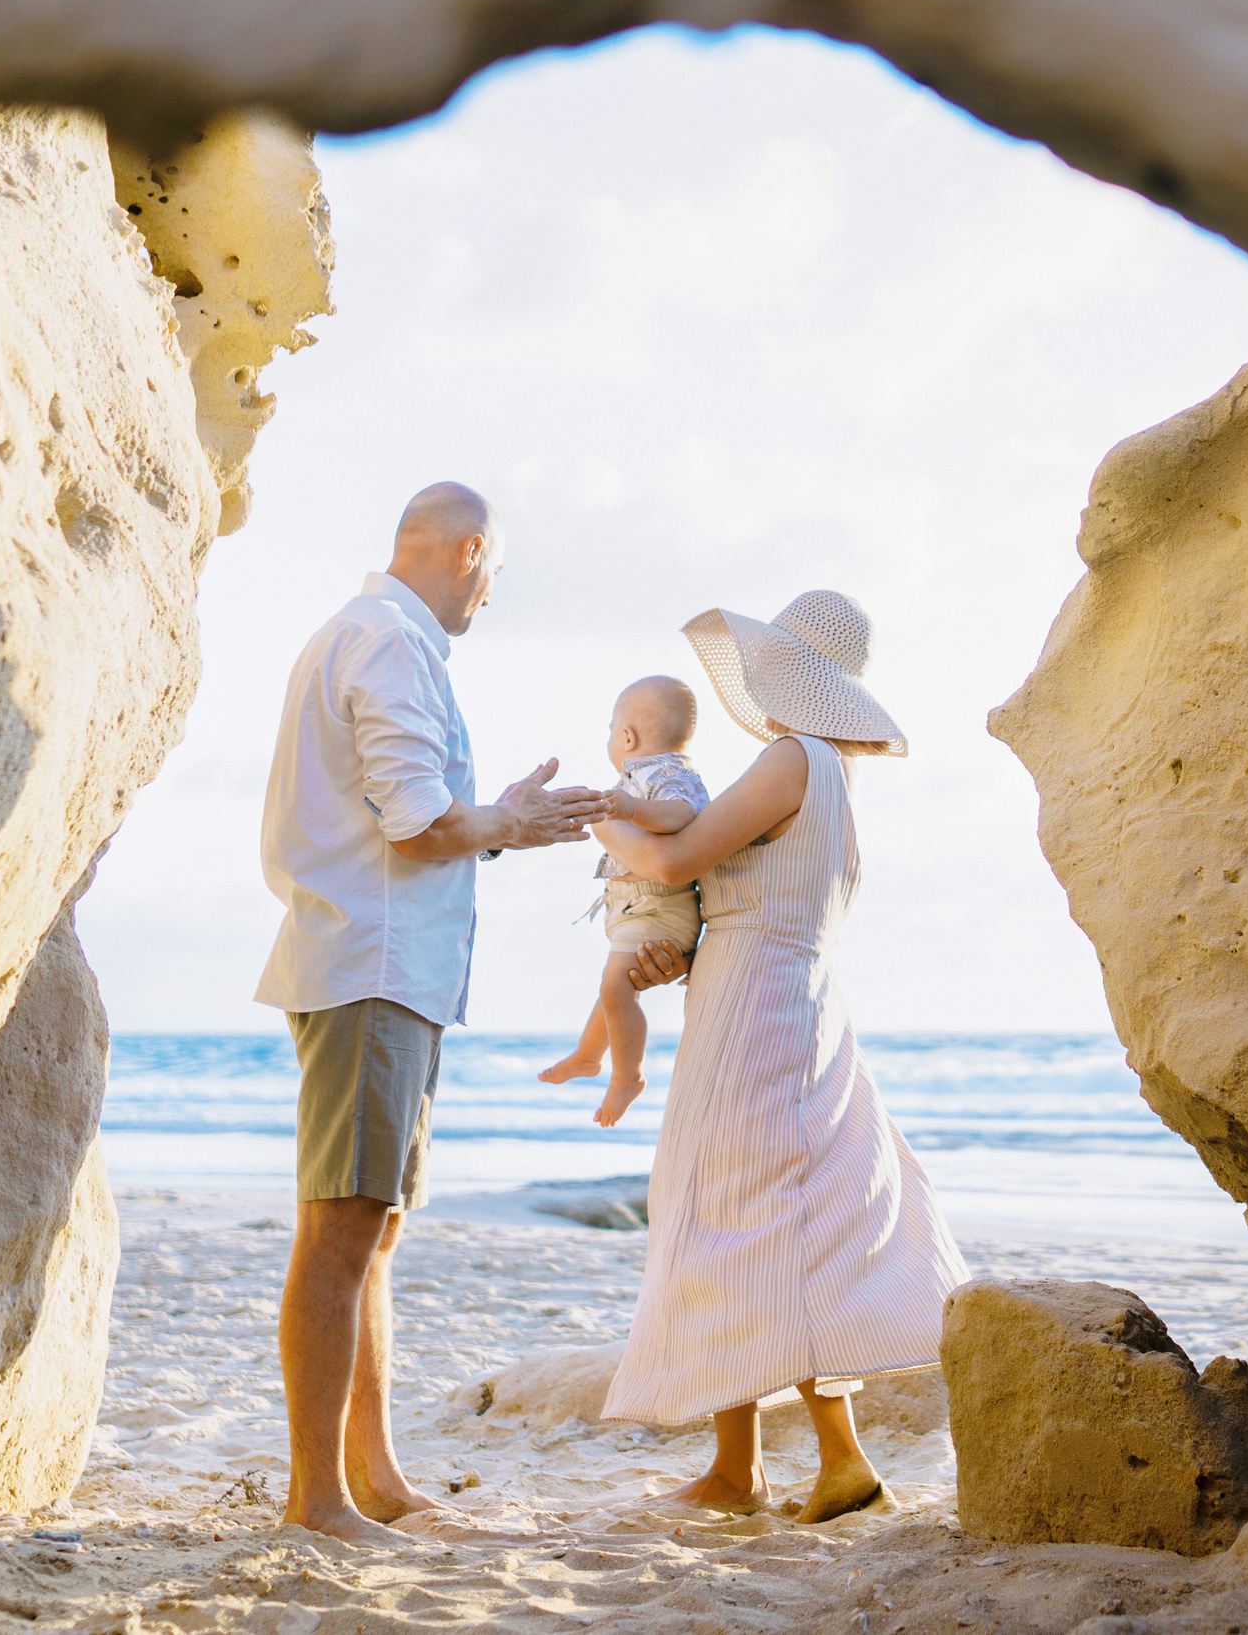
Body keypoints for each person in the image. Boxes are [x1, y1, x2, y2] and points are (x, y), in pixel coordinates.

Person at [250, 481, 674, 1544]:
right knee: (343, 1232)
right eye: (496, 571)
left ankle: (374, 1477)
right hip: (373, 967)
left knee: (371, 1233)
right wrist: (513, 822)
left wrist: (499, 820)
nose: (492, 594)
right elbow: (414, 823)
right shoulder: (387, 642)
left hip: (384, 968)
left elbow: (420, 819)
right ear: (470, 551)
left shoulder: (375, 637)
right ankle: (319, 1500)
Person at [593, 590, 969, 1523]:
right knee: (777, 1219)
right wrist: (678, 951)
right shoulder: (835, 774)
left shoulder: (792, 758)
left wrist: (597, 819)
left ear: (787, 678)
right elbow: (742, 895)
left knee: (735, 1216)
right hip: (796, 1002)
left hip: (754, 1010)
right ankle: (809, 1460)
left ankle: (755, 1468)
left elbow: (676, 866)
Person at [539, 676, 711, 1126]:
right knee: (614, 989)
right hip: (636, 903)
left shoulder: (667, 773)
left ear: (627, 736)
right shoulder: (642, 776)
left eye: (611, 728)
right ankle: (587, 1056)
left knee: (617, 989)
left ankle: (626, 1077)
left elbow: (681, 814)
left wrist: (628, 809)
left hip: (657, 903)